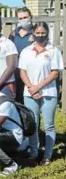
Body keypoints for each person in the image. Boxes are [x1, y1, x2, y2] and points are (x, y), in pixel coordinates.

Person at [18, 22, 63, 165]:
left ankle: (47, 156)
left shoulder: (53, 51)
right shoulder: (26, 51)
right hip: (29, 92)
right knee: (33, 124)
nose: (40, 35)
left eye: (43, 33)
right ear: (33, 33)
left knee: (49, 125)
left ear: (47, 33)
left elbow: (55, 73)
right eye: (38, 33)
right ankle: (33, 153)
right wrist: (31, 87)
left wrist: (38, 87)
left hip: (48, 93)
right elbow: (22, 72)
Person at [9, 7, 35, 104]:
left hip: (31, 71)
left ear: (31, 17)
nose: (23, 20)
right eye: (20, 18)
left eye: (25, 17)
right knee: (18, 98)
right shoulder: (13, 34)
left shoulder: (37, 32)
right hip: (16, 71)